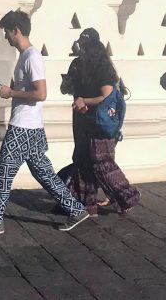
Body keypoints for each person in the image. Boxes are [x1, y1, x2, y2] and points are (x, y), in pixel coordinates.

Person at [0, 11, 90, 235]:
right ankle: (76, 210)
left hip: (22, 128)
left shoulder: (31, 57)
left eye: (6, 32)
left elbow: (41, 93)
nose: (5, 37)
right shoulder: (26, 57)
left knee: (3, 175)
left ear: (16, 30)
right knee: (44, 174)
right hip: (31, 127)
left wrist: (11, 92)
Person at [60, 28, 140, 214]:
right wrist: (67, 86)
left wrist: (84, 100)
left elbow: (106, 95)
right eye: (82, 46)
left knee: (101, 161)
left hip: (101, 120)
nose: (83, 50)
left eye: (86, 46)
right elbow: (69, 88)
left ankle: (128, 196)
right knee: (82, 159)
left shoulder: (103, 67)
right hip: (81, 117)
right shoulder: (77, 64)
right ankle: (87, 203)